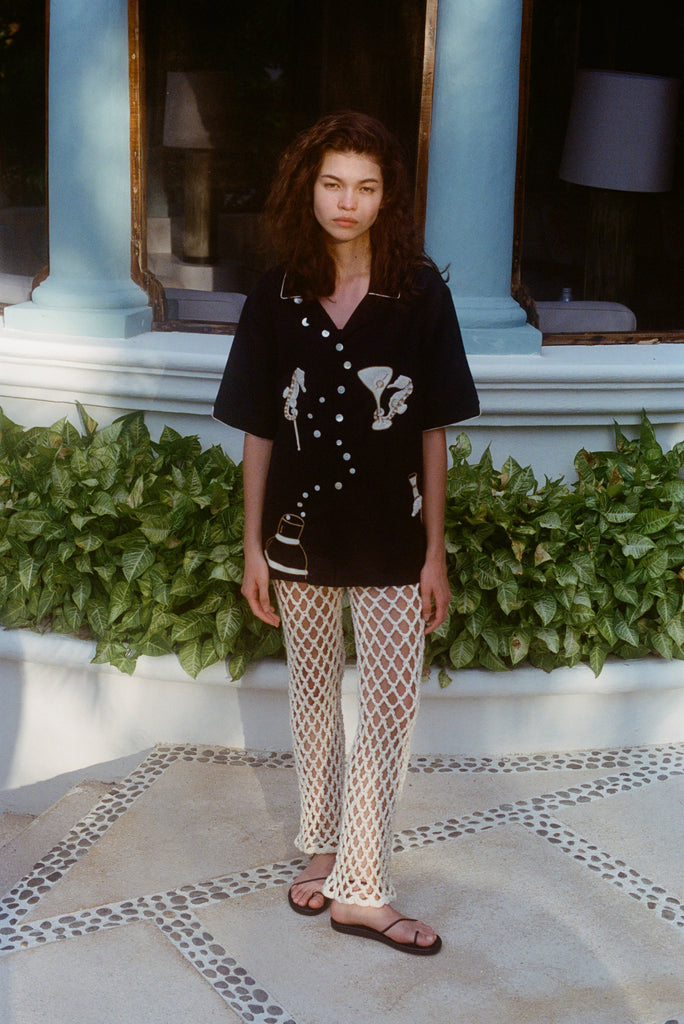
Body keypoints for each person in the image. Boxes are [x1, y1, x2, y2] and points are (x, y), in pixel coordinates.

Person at [214, 111, 479, 955]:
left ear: (386, 197)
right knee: (315, 698)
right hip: (298, 539)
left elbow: (433, 428)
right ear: (309, 186)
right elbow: (258, 427)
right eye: (333, 183)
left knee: (392, 705)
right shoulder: (277, 293)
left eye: (366, 187)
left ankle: (362, 888)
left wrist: (435, 550)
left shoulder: (420, 292)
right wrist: (252, 545)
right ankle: (325, 850)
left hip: (394, 539)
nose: (347, 201)